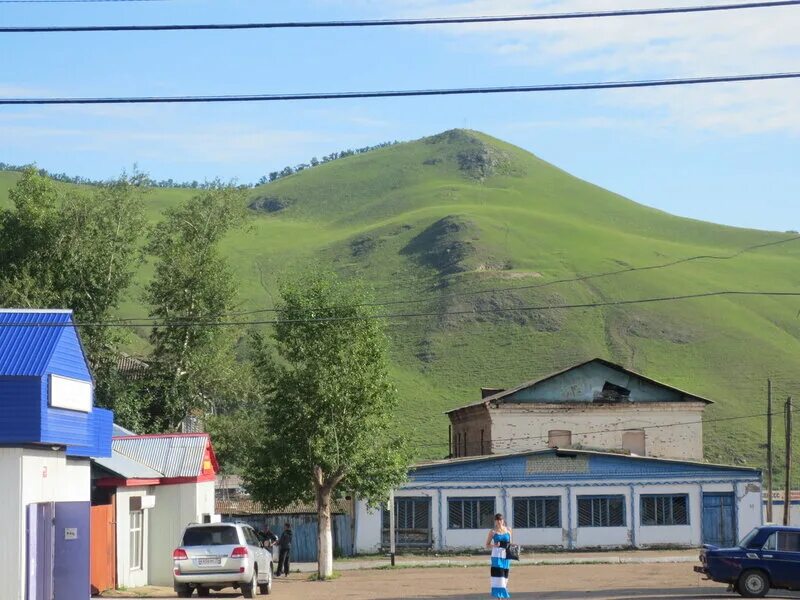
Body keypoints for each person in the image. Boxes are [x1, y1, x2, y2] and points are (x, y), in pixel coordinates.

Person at [485, 513, 512, 598]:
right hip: (496, 555)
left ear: (503, 520)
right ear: (495, 521)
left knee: (505, 576)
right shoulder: (492, 531)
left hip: (506, 555)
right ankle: (499, 597)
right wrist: (495, 545)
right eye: (497, 520)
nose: (499, 521)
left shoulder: (508, 530)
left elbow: (510, 543)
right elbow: (487, 545)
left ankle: (503, 595)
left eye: (500, 519)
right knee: (498, 575)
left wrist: (514, 548)